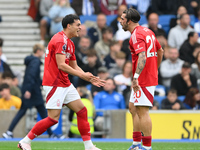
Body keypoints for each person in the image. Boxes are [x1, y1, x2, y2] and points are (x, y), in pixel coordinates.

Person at [17, 14, 105, 150]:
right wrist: (83, 76)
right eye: (78, 25)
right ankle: (25, 141)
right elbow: (61, 65)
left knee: (82, 111)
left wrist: (88, 76)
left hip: (64, 83)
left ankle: (89, 146)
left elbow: (74, 66)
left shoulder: (69, 42)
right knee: (53, 119)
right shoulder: (59, 40)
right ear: (69, 25)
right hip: (54, 83)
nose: (80, 28)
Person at [120, 8, 163, 150]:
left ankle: (147, 147)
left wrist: (136, 77)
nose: (120, 21)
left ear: (129, 21)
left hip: (143, 79)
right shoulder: (148, 31)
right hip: (147, 75)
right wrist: (155, 68)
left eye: (122, 19)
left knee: (143, 111)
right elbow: (160, 50)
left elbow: (142, 56)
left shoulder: (136, 35)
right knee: (133, 108)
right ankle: (136, 144)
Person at [2, 44, 59, 139]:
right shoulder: (35, 62)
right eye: (42, 51)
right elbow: (31, 76)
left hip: (32, 89)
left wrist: (44, 83)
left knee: (30, 111)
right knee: (42, 112)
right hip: (33, 91)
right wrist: (28, 90)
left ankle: (9, 132)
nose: (43, 53)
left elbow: (34, 78)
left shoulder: (32, 61)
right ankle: (51, 134)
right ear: (38, 51)